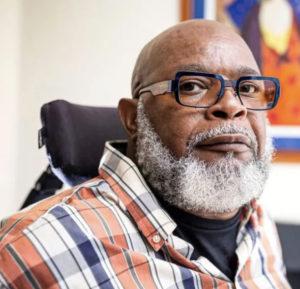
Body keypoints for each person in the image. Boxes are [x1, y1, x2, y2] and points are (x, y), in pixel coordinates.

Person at [0, 20, 291, 289]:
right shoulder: (28, 249)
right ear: (133, 119)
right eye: (192, 86)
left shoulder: (258, 225)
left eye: (248, 87)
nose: (232, 106)